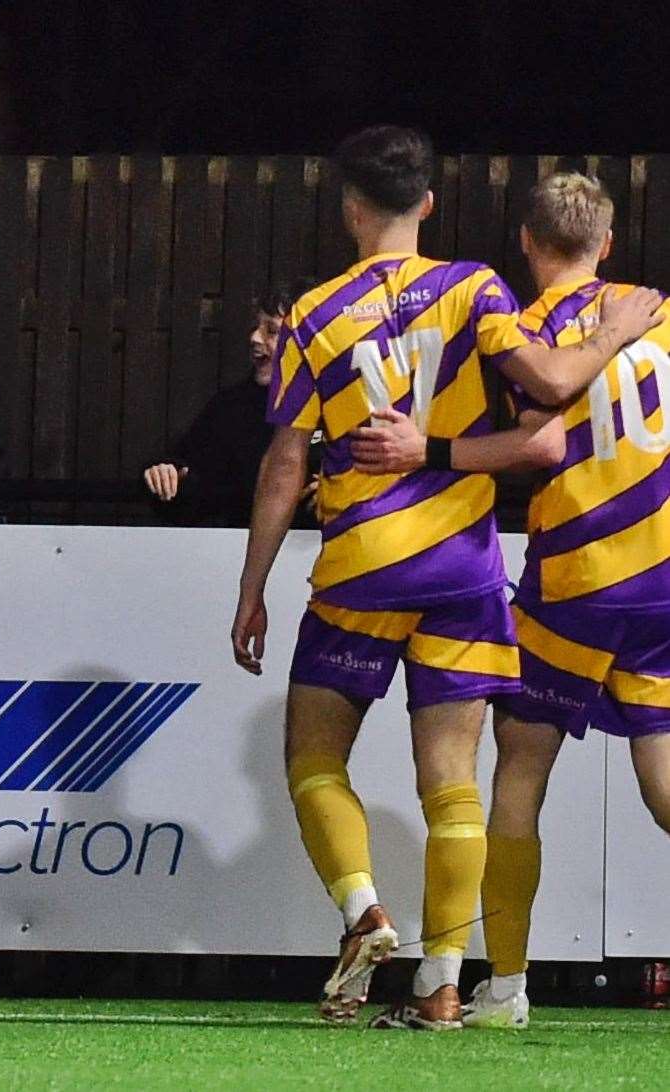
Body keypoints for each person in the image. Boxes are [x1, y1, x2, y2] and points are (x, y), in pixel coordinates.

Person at [230, 125, 662, 1031]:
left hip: (368, 569)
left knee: (316, 758)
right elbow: (543, 415)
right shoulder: (476, 291)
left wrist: (252, 586)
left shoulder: (313, 313)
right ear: (428, 203)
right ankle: (443, 986)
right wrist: (614, 332)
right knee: (456, 782)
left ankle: (366, 913)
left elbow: (282, 464)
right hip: (469, 567)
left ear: (352, 208)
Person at [348, 172, 670, 1030]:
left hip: (576, 583)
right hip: (664, 578)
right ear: (607, 241)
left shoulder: (525, 330)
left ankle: (505, 988)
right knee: (665, 785)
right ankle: (495, 987)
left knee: (518, 774)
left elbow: (541, 441)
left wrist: (431, 449)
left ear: (527, 243)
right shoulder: (659, 313)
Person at [143, 280, 316, 527]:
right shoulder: (231, 409)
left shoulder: (346, 404)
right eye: (255, 327)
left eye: (272, 331)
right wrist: (166, 477)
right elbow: (193, 484)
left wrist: (339, 494)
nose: (255, 338)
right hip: (240, 552)